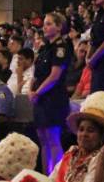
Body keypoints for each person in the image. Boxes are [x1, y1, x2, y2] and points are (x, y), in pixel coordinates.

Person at [51, 91, 104, 182]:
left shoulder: (99, 158)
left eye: (90, 131)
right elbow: (52, 179)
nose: (84, 134)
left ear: (102, 136)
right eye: (81, 129)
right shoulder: (71, 152)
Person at [29, 12, 73, 173]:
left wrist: (37, 92)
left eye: (49, 24)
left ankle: (57, 176)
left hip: (53, 98)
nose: (45, 27)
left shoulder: (62, 47)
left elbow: (55, 76)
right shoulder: (45, 48)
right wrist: (30, 90)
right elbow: (36, 73)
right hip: (40, 98)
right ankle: (47, 174)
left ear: (59, 27)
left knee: (53, 139)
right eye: (45, 24)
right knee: (43, 139)